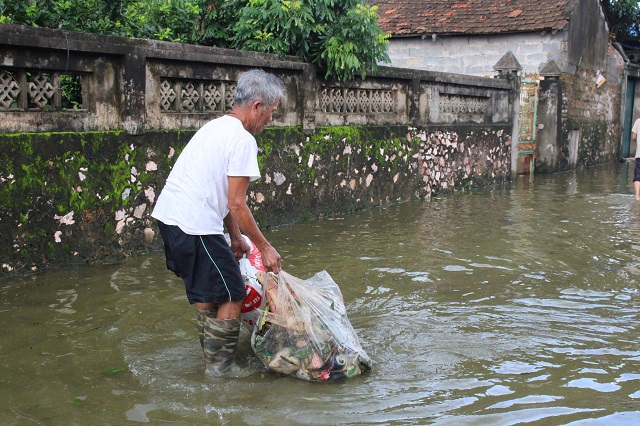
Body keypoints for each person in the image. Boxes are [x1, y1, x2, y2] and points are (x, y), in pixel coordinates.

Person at [151, 69, 284, 375]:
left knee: (209, 292)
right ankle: (220, 370)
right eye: (271, 112)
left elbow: (222, 195)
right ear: (257, 106)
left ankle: (211, 361)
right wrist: (264, 247)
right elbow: (237, 203)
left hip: (170, 219)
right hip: (194, 225)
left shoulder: (216, 128)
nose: (270, 120)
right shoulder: (242, 140)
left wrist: (236, 238)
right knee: (233, 291)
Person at [633, 117, 640, 200]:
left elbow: (633, 137)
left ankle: (637, 196)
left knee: (638, 175)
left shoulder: (638, 121)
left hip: (639, 154)